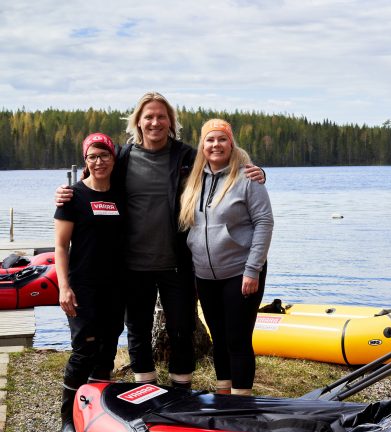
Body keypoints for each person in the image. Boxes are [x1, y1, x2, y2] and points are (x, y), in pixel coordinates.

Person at [55, 92, 265, 389]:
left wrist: (256, 171)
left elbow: (220, 163)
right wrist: (69, 193)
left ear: (170, 122)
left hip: (176, 262)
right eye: (148, 117)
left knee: (181, 329)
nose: (155, 122)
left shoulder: (186, 156)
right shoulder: (124, 156)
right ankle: (146, 390)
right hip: (132, 263)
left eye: (161, 116)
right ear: (138, 123)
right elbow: (95, 178)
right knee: (137, 331)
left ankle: (180, 391)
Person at [179, 119, 273, 396]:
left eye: (222, 139)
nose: (216, 145)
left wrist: (253, 269)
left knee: (237, 339)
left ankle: (241, 402)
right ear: (202, 146)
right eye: (210, 140)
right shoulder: (194, 180)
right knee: (219, 338)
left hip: (240, 272)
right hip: (206, 275)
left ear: (231, 144)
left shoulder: (248, 179)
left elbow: (264, 223)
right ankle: (224, 397)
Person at [54, 133, 124, 432]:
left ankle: (95, 415)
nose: (99, 162)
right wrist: (64, 287)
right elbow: (60, 245)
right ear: (86, 161)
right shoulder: (73, 196)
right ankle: (67, 417)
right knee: (85, 350)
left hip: (115, 286)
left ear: (113, 158)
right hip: (82, 286)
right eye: (92, 157)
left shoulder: (121, 195)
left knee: (107, 352)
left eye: (104, 156)